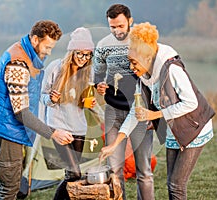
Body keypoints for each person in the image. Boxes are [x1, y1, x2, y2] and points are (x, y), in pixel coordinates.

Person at [100, 22, 215, 200]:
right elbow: (135, 113)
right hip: (174, 130)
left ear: (146, 58)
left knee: (177, 185)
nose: (131, 67)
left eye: (133, 62)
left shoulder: (171, 68)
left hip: (194, 127)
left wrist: (155, 115)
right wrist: (114, 145)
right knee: (171, 183)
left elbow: (191, 103)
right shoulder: (143, 76)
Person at [0, 20, 75, 200]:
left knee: (11, 185)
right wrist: (53, 133)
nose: (49, 52)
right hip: (4, 130)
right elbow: (20, 112)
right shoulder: (17, 62)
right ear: (35, 39)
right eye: (47, 46)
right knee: (9, 188)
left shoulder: (26, 53)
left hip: (10, 128)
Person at [94, 4, 155, 199]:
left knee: (143, 171)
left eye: (120, 26)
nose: (117, 31)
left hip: (140, 110)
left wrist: (153, 113)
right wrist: (99, 86)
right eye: (112, 27)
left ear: (130, 21)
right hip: (113, 110)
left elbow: (153, 78)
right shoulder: (103, 45)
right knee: (115, 170)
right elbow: (98, 74)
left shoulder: (140, 42)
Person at [41, 27, 95, 200]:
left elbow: (83, 102)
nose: (83, 59)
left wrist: (90, 104)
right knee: (74, 173)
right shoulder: (55, 68)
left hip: (79, 128)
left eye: (87, 55)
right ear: (72, 51)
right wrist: (51, 99)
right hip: (59, 127)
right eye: (80, 53)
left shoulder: (88, 71)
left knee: (71, 174)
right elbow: (42, 97)